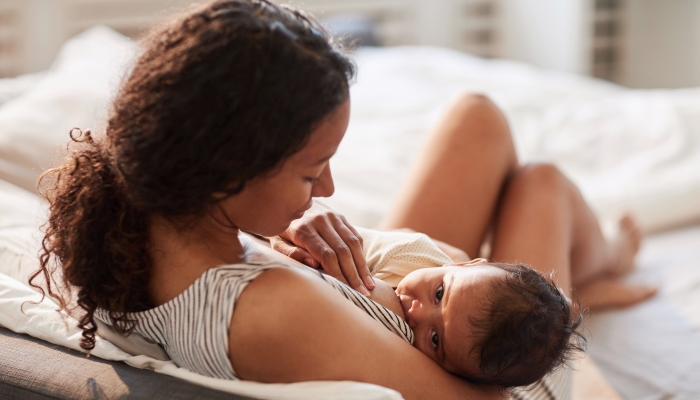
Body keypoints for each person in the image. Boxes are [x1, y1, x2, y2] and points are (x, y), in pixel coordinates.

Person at [28, 1, 656, 399]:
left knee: (478, 118)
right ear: (229, 172)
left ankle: (580, 272)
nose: (327, 189)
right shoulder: (275, 311)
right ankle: (595, 269)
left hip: (391, 304)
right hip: (496, 359)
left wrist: (277, 238)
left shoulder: (139, 210)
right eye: (311, 173)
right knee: (541, 182)